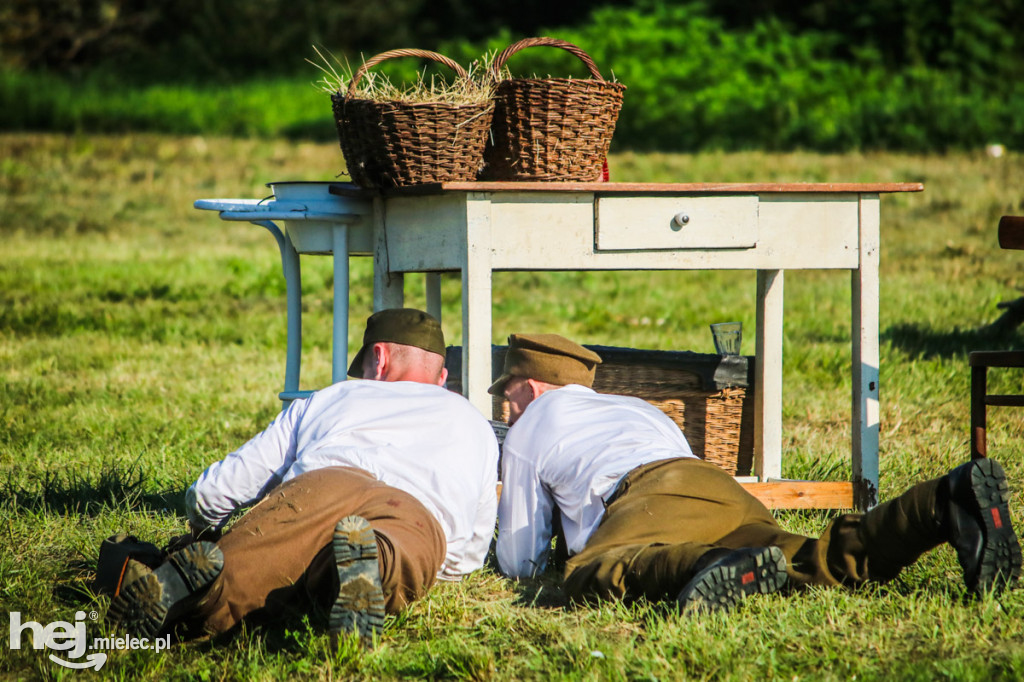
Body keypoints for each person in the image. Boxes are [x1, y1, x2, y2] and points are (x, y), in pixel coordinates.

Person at [491, 333, 1022, 612]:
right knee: (817, 561)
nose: (505, 409)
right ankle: (939, 503)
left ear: (530, 386)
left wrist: (564, 552)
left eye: (507, 395)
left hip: (644, 499)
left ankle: (726, 564)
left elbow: (521, 560)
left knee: (593, 572)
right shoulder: (634, 407)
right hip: (713, 487)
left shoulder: (533, 420)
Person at [107, 308, 499, 641]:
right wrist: (440, 568)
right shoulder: (473, 422)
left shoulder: (334, 397)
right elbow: (468, 555)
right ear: (442, 377)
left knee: (242, 581)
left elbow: (217, 490)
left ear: (378, 358)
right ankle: (372, 566)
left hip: (323, 484)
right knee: (396, 558)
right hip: (414, 513)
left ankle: (207, 593)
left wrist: (203, 527)